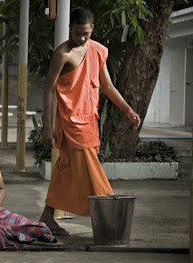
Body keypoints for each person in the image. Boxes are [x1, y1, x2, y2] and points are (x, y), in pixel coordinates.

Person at [39, 8, 141, 236]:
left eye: (86, 33)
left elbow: (108, 86)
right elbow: (49, 90)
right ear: (70, 30)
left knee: (65, 170)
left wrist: (128, 110)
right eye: (77, 34)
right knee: (92, 171)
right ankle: (109, 218)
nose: (82, 38)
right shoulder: (63, 53)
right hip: (70, 122)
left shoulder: (98, 50)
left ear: (92, 28)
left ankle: (47, 217)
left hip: (90, 119)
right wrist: (48, 126)